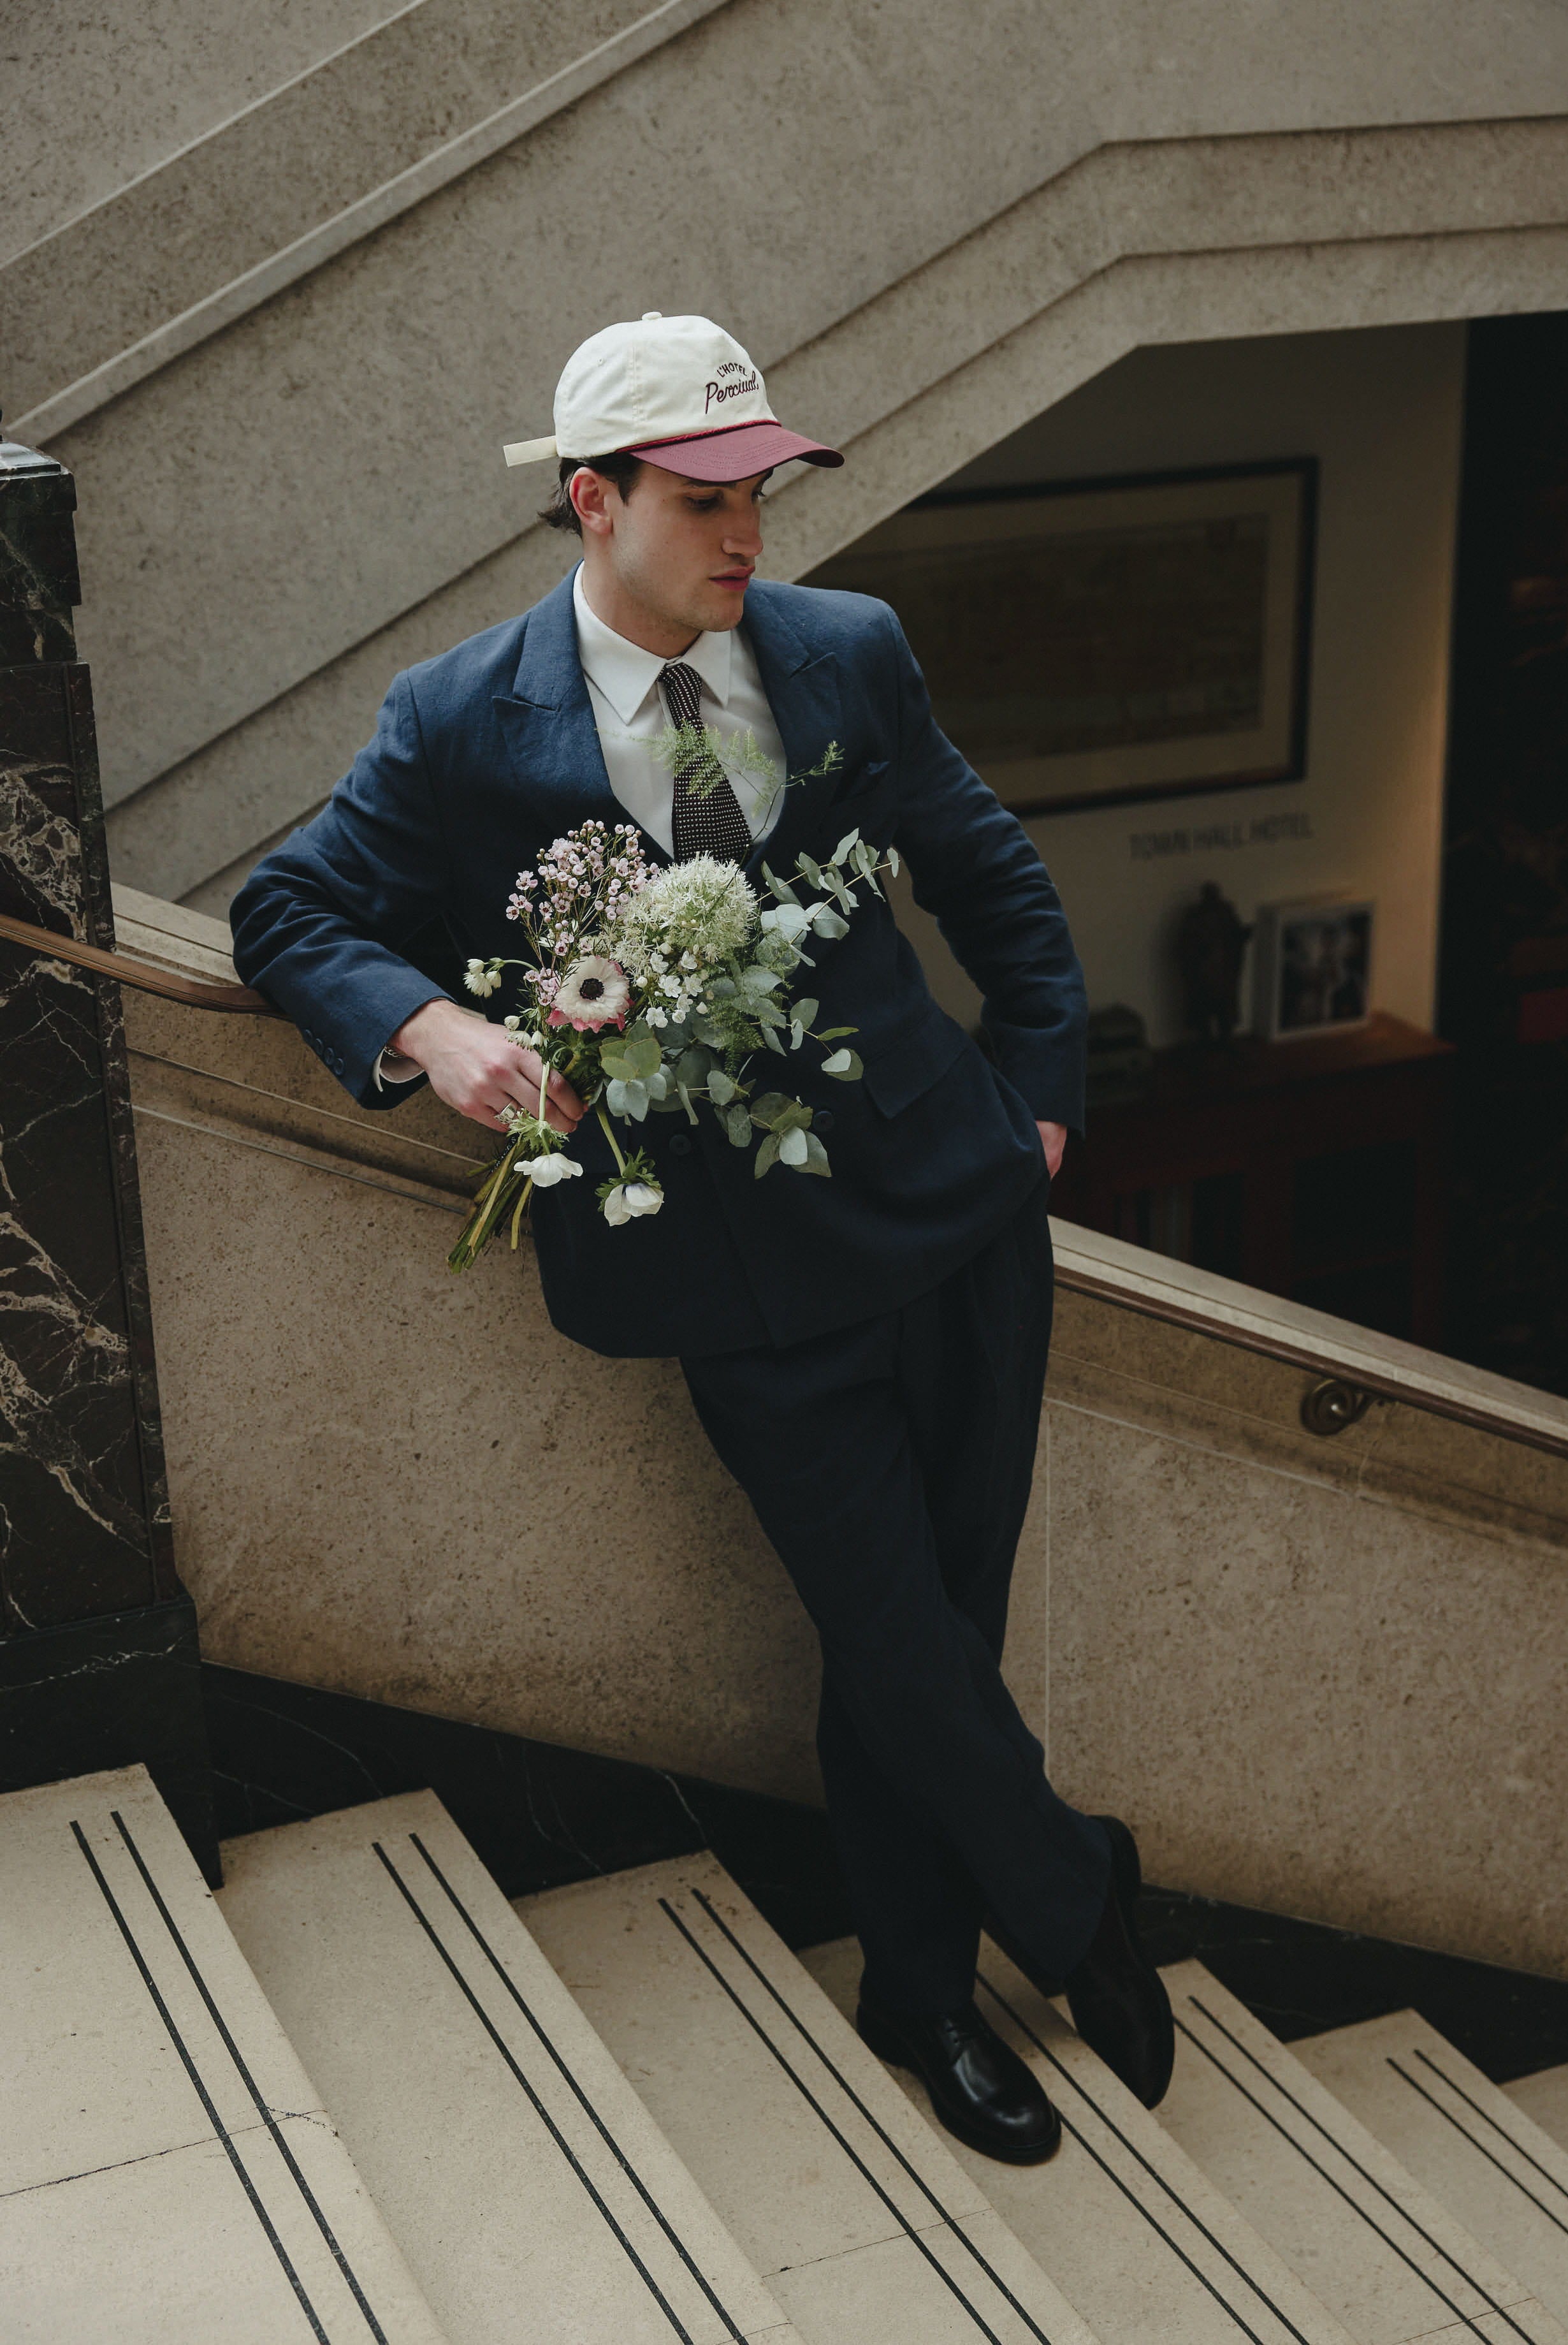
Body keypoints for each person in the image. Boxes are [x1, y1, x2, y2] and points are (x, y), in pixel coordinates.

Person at [231, 311, 1174, 2159]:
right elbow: (290, 910)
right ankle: (1072, 1902)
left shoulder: (846, 651)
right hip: (732, 1274)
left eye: (766, 491)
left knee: (936, 1629)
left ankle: (919, 1992)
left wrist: (1040, 1093)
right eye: (706, 496)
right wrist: (430, 1030)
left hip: (955, 1208)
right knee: (888, 1626)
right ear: (592, 504)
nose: (751, 532)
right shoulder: (455, 718)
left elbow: (987, 869)